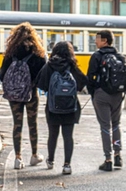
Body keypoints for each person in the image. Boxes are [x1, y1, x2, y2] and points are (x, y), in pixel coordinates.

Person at [0, 22, 46, 169]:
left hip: (14, 96)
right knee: (33, 123)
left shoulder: (11, 53)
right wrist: (32, 84)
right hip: (31, 93)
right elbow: (43, 74)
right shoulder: (38, 53)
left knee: (17, 124)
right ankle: (34, 155)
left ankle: (18, 158)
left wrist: (14, 85)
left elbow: (1, 75)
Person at [36, 41, 88, 174]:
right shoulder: (72, 66)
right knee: (68, 136)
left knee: (53, 134)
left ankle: (51, 160)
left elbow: (40, 84)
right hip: (71, 107)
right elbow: (82, 83)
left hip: (53, 107)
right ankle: (67, 165)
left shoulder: (49, 66)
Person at [87, 30, 124, 171]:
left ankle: (107, 159)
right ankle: (117, 155)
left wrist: (94, 93)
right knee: (116, 124)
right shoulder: (120, 56)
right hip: (118, 95)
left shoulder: (97, 56)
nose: (95, 41)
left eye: (98, 39)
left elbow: (90, 77)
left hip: (102, 94)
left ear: (105, 41)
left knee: (104, 126)